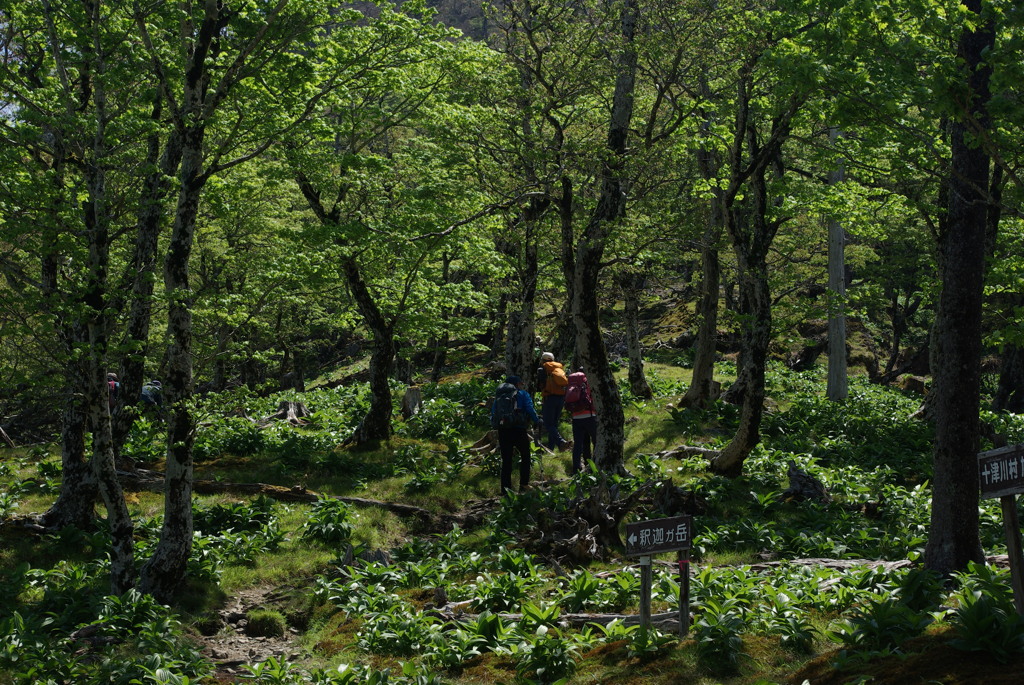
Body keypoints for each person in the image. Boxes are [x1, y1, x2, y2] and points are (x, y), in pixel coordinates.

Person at [490, 375, 541, 495]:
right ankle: (524, 484)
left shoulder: (499, 396)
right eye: (520, 383)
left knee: (506, 460)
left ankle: (505, 490)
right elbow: (529, 408)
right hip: (518, 429)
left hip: (503, 431)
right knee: (525, 456)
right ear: (517, 384)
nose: (521, 385)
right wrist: (537, 420)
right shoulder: (522, 394)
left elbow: (493, 413)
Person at [536, 352, 572, 452]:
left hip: (549, 398)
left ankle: (560, 442)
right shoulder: (559, 368)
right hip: (561, 398)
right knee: (554, 424)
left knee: (548, 424)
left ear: (543, 360)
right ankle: (552, 448)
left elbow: (540, 385)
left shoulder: (542, 369)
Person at [564, 369, 597, 475]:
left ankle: (576, 468)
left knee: (579, 444)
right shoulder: (588, 384)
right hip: (590, 416)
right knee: (596, 441)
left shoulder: (570, 385)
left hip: (576, 418)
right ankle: (595, 464)